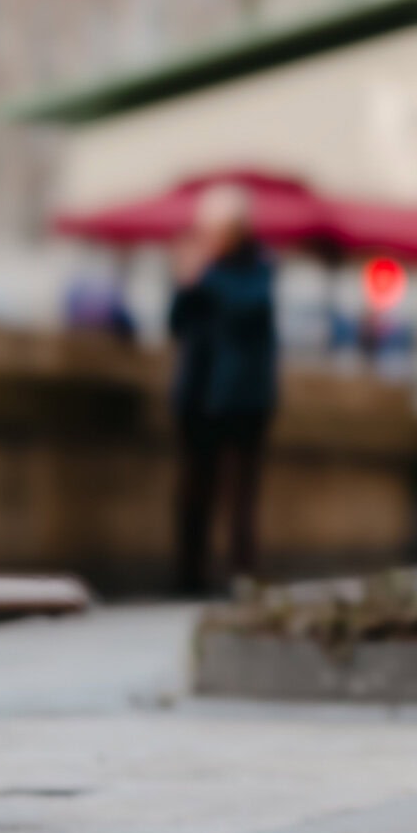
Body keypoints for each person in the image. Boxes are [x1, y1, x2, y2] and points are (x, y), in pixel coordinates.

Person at [168, 182, 279, 595]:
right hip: (197, 396)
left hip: (242, 399)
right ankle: (188, 575)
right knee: (193, 490)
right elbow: (177, 323)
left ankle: (241, 575)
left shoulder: (258, 265)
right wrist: (185, 283)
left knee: (240, 495)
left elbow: (248, 306)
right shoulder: (201, 272)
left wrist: (204, 274)